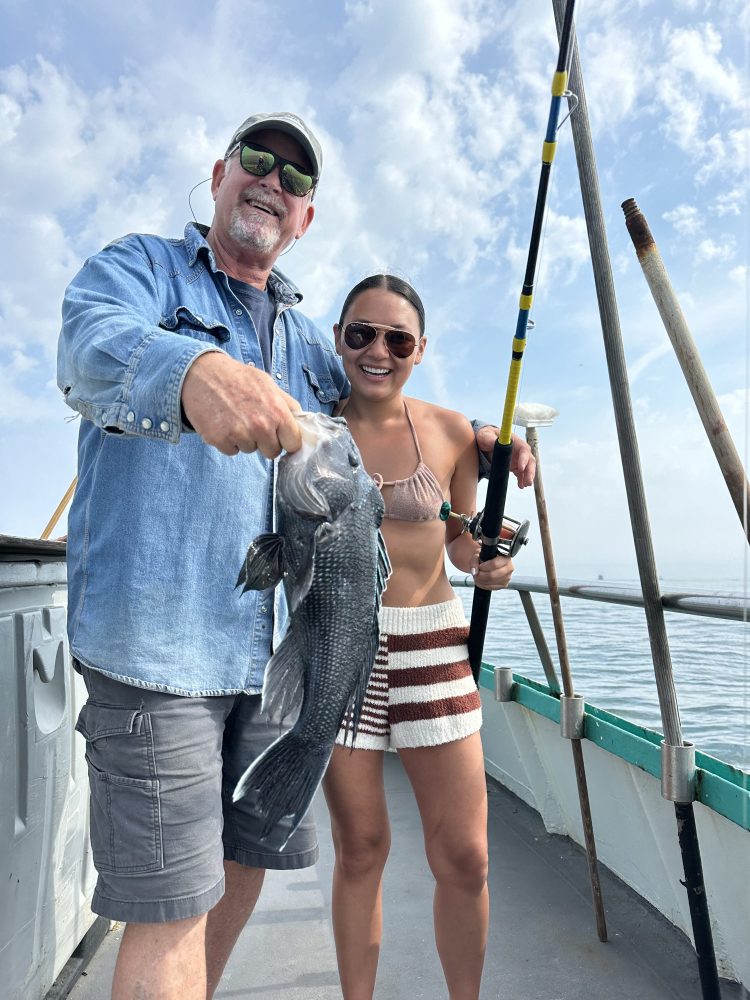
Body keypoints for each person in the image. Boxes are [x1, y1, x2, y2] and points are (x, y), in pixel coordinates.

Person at [57, 112, 535, 1000]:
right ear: (219, 175)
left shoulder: (314, 345)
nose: (274, 181)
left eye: (297, 179)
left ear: (306, 218)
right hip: (159, 654)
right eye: (258, 161)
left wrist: (489, 442)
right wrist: (195, 373)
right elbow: (85, 344)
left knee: (242, 870)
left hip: (275, 655)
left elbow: (384, 412)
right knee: (170, 911)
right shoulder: (142, 270)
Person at [323, 274, 512, 1000]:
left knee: (465, 856)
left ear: (420, 349)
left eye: (397, 339)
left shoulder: (453, 431)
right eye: (360, 333)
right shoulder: (313, 427)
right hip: (343, 646)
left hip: (435, 644)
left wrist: (488, 562)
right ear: (338, 339)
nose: (378, 350)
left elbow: (463, 545)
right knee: (361, 849)